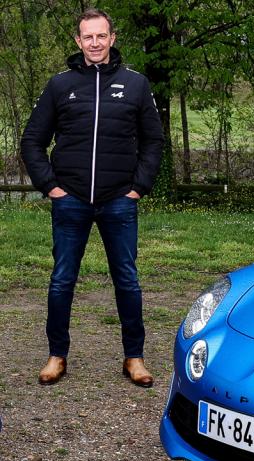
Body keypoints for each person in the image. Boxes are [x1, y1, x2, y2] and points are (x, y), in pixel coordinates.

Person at [21, 8, 164, 387]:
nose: (95, 43)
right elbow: (32, 140)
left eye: (101, 36)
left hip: (119, 199)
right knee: (61, 280)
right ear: (78, 41)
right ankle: (56, 355)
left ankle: (134, 357)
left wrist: (138, 187)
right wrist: (50, 185)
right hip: (70, 199)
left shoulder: (135, 84)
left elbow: (153, 141)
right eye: (88, 37)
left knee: (127, 280)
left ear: (112, 38)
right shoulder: (59, 85)